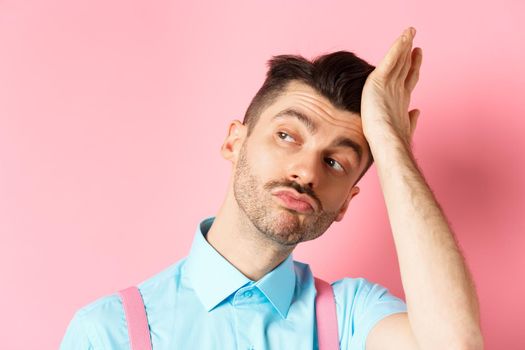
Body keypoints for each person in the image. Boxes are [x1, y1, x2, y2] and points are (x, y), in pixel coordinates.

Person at [60, 27, 483, 349]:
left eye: (336, 162)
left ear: (345, 203)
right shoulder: (109, 330)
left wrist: (390, 144)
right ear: (234, 142)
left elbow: (453, 344)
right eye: (287, 136)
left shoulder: (353, 315)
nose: (306, 172)